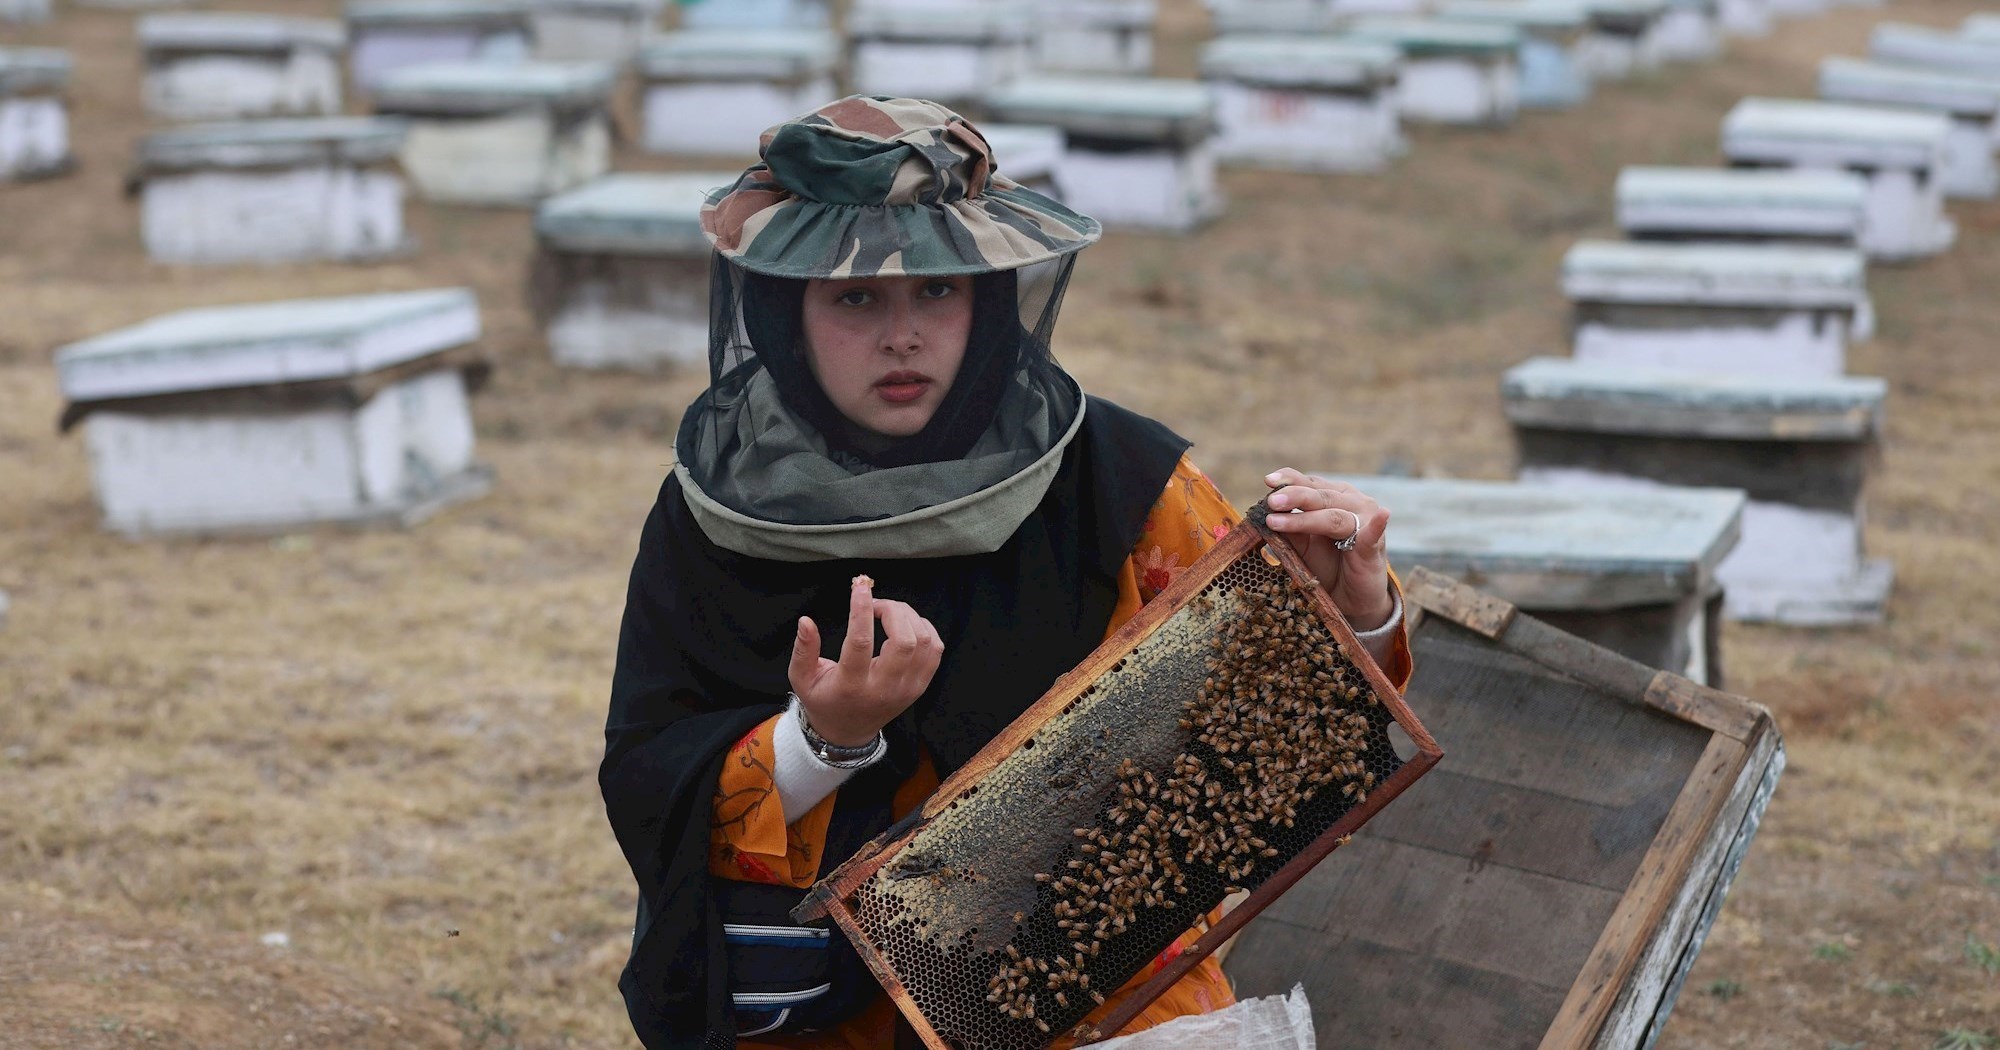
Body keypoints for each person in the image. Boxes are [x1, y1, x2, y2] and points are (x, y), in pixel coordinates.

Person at [599, 96, 1413, 1050]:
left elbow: (1287, 739)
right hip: (821, 1012)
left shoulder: (1121, 480)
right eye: (856, 298)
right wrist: (821, 742)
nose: (903, 335)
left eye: (939, 291)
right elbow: (649, 778)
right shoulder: (708, 515)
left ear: (987, 303)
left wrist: (1354, 614)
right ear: (786, 314)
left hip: (1102, 990)